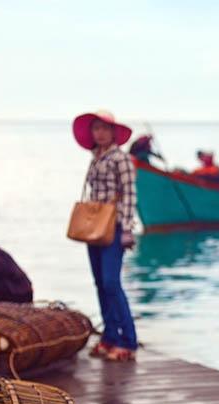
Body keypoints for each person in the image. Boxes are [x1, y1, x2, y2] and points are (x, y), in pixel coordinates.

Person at [72, 110, 138, 362]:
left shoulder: (121, 158)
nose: (99, 133)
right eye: (96, 129)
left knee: (111, 283)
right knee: (100, 282)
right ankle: (110, 336)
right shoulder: (96, 158)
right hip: (95, 226)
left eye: (104, 129)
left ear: (113, 133)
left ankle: (128, 341)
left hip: (115, 226)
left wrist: (127, 228)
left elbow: (129, 194)